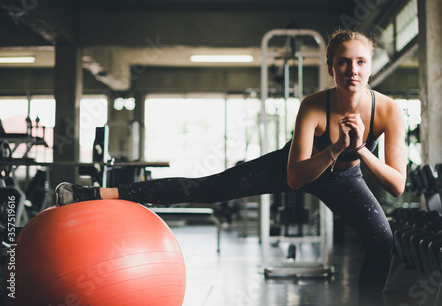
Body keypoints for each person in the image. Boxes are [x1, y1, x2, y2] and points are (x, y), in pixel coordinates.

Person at [55, 28, 407, 306]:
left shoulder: (389, 111)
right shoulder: (313, 106)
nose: (352, 70)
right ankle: (94, 194)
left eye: (361, 62)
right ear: (331, 67)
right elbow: (295, 176)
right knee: (205, 187)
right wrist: (333, 149)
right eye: (344, 62)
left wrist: (359, 149)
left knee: (381, 240)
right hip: (296, 165)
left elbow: (397, 184)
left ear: (370, 66)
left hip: (345, 178)